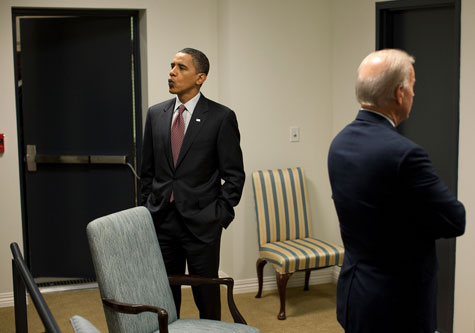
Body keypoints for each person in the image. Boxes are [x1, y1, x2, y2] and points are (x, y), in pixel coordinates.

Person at [327, 49, 466, 332]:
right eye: (413, 86)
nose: (415, 94)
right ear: (400, 93)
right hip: (397, 303)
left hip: (356, 293)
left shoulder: (339, 143)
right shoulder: (405, 154)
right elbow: (455, 219)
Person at [140, 48, 245, 320]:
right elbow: (147, 172)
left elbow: (234, 176)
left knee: (206, 296)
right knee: (163, 295)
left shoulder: (221, 117)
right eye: (172, 65)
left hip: (202, 225)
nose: (172, 72)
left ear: (201, 77)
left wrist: (218, 216)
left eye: (181, 67)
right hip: (162, 221)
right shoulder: (155, 115)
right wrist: (146, 210)